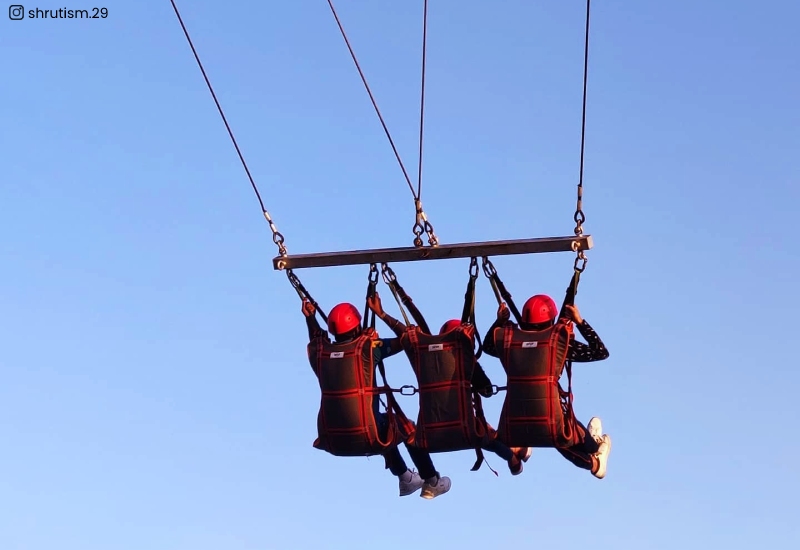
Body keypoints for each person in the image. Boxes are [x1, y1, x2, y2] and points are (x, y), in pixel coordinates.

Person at [302, 298, 452, 499]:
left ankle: (405, 478)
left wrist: (310, 317)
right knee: (404, 427)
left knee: (381, 424)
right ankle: (432, 481)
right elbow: (408, 340)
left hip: (333, 439)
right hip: (367, 433)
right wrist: (380, 315)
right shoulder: (368, 349)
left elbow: (315, 338)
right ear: (357, 327)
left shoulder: (319, 355)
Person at [368, 294, 532, 476]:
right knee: (483, 434)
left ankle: (512, 454)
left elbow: (405, 335)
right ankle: (512, 456)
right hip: (462, 426)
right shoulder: (467, 362)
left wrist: (382, 314)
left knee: (404, 429)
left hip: (430, 432)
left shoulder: (424, 357)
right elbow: (486, 391)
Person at [482, 295, 612, 479]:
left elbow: (487, 346)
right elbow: (600, 351)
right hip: (549, 415)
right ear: (551, 320)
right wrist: (580, 322)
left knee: (560, 430)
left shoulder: (510, 343)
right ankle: (595, 459)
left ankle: (593, 449)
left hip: (515, 418)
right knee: (560, 433)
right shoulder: (557, 343)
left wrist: (499, 321)